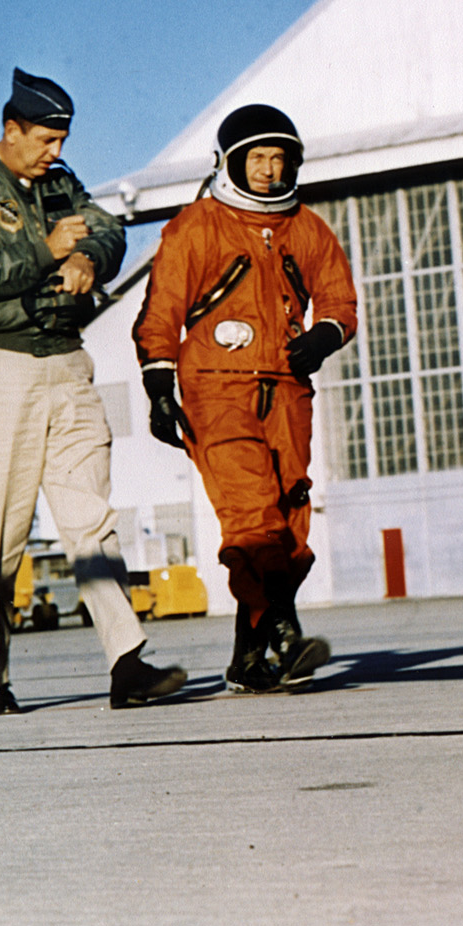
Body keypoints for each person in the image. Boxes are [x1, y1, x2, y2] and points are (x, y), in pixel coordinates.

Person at [0, 68, 186, 716]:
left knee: (89, 515)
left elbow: (105, 226)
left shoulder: (62, 186)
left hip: (65, 365)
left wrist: (87, 259)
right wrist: (46, 250)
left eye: (62, 139)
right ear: (10, 130)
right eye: (44, 139)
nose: (56, 153)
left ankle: (127, 660)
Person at [136, 104, 357, 693]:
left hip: (286, 388)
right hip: (216, 384)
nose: (268, 171)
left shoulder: (305, 227)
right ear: (230, 161)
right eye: (257, 158)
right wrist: (159, 387)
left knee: (287, 523)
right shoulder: (197, 226)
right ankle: (285, 633)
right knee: (252, 517)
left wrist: (324, 335)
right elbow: (161, 313)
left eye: (279, 159)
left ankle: (249, 662)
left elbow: (339, 298)